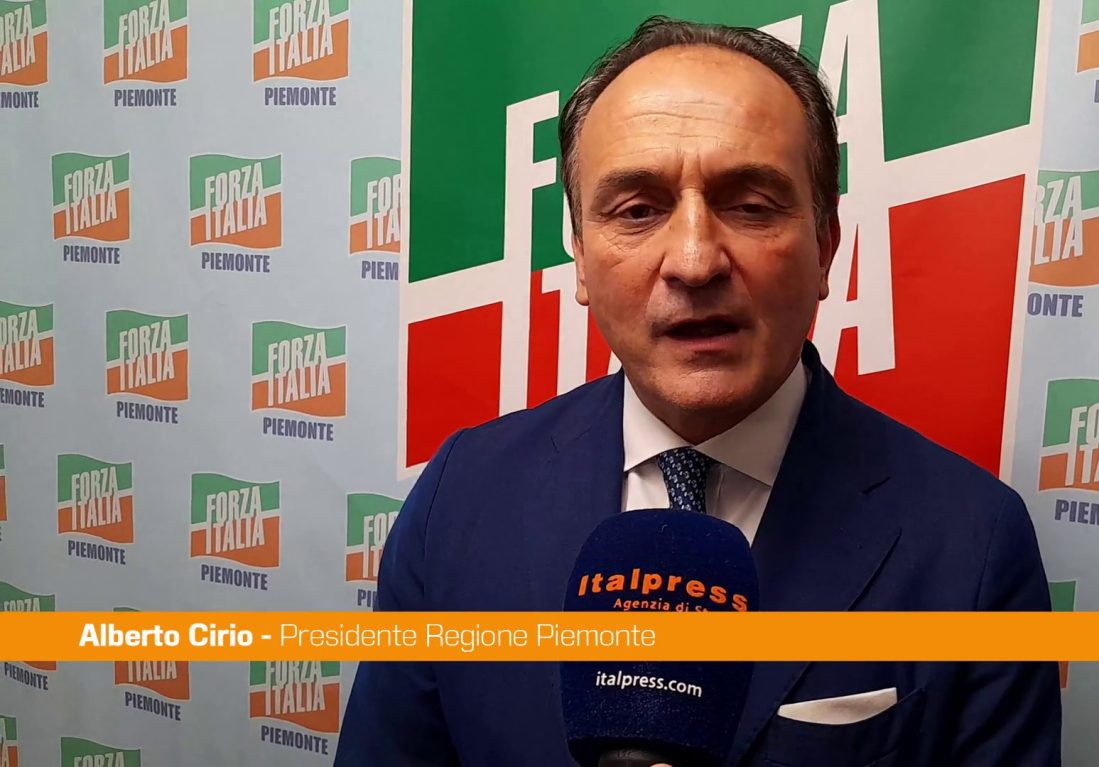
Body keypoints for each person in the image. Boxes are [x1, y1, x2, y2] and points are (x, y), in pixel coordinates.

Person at [337, 16, 1061, 767]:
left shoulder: (973, 543)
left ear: (825, 246)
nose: (693, 260)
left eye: (751, 205)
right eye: (638, 210)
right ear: (579, 256)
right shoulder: (460, 494)